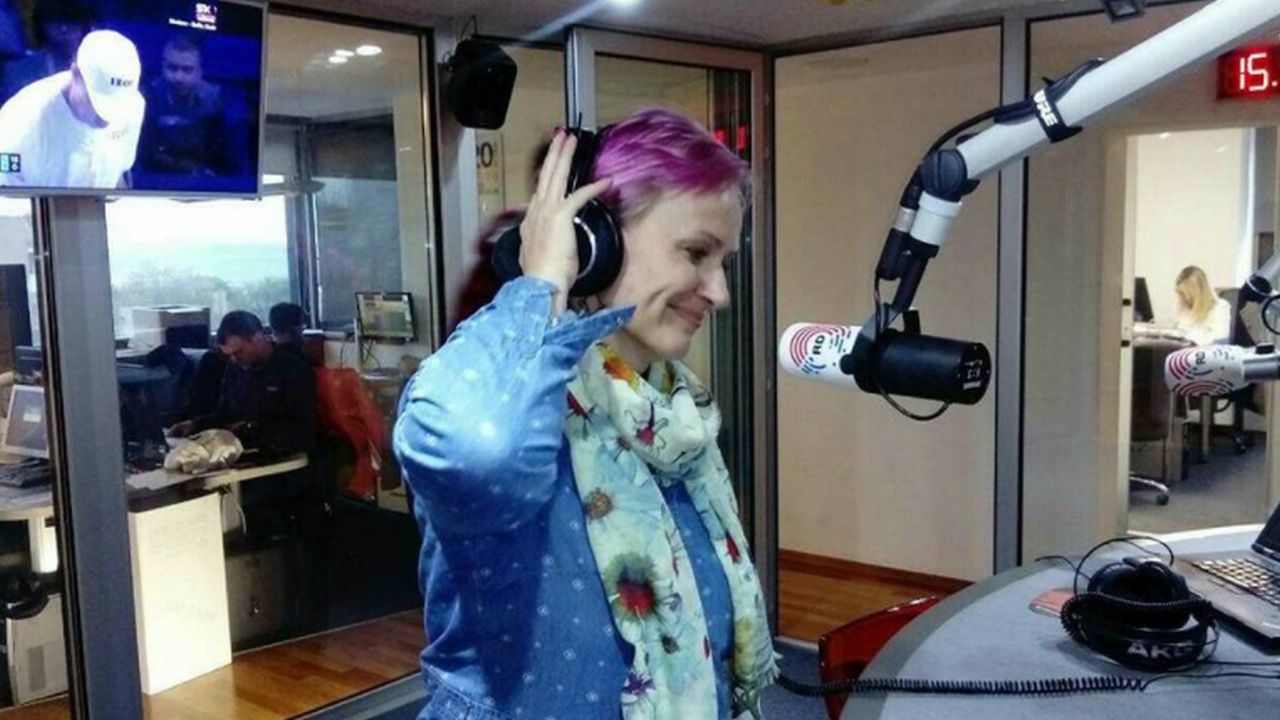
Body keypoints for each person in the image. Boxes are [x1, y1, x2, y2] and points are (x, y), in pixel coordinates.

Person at [394, 109, 777, 720]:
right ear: (595, 241)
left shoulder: (671, 415)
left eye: (723, 261)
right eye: (696, 253)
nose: (719, 292)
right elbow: (477, 454)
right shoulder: (508, 399)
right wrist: (541, 285)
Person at [0, 29, 144, 189]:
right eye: (96, 102)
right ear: (75, 74)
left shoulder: (134, 106)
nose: (105, 120)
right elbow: (6, 193)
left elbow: (118, 177)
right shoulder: (18, 121)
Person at [169, 310, 316, 459]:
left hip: (278, 455)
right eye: (229, 355)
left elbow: (302, 428)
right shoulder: (235, 368)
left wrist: (251, 429)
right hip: (239, 449)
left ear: (257, 338)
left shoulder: (293, 370)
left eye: (238, 352)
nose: (234, 360)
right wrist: (195, 425)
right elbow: (224, 413)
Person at [137, 33, 237, 178]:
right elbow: (144, 154)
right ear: (162, 67)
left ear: (200, 72)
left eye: (187, 70)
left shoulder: (216, 101)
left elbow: (226, 159)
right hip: (155, 177)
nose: (179, 77)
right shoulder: (146, 97)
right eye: (172, 68)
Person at [0, 1, 96, 99]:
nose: (64, 29)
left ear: (84, 26)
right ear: (41, 27)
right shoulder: (19, 71)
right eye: (56, 24)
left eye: (72, 24)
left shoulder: (97, 64)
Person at [1173, 265, 1231, 346]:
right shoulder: (1184, 306)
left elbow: (1219, 339)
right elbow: (1178, 331)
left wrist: (1189, 337)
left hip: (1204, 351)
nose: (1185, 298)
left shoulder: (1220, 307)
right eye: (1181, 293)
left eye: (1189, 295)